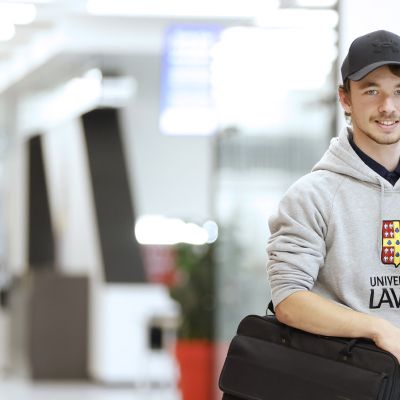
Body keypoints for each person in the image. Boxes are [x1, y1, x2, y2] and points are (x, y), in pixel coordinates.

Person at [266, 29, 400, 362]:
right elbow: (289, 300)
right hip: (350, 378)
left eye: (399, 91)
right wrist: (378, 329)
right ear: (345, 99)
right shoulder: (311, 196)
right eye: (372, 90)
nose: (388, 106)